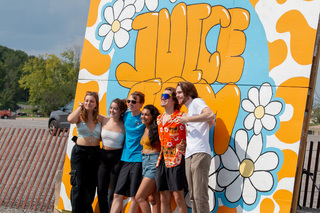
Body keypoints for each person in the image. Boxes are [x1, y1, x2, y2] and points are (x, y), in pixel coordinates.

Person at [176, 81, 216, 213]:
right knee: (193, 196)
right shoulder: (189, 109)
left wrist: (187, 120)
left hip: (200, 153)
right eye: (176, 93)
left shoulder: (196, 102)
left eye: (180, 92)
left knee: (200, 196)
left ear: (188, 92)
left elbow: (210, 114)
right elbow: (208, 122)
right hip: (189, 154)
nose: (177, 95)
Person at [67, 91, 103, 213]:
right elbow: (70, 119)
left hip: (95, 154)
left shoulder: (99, 118)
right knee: (78, 184)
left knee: (90, 186)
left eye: (91, 101)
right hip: (80, 153)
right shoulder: (79, 116)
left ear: (96, 104)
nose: (89, 103)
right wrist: (80, 106)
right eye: (86, 100)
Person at [110, 91, 146, 213]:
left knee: (134, 196)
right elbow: (109, 118)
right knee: (117, 194)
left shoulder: (144, 117)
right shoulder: (125, 116)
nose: (130, 103)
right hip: (124, 159)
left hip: (138, 160)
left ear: (141, 104)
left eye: (133, 101)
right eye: (129, 101)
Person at [155, 87, 188, 213]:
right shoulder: (159, 118)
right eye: (162, 95)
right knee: (163, 197)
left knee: (178, 197)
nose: (163, 98)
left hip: (177, 159)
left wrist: (186, 144)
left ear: (174, 100)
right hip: (162, 160)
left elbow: (194, 131)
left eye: (166, 96)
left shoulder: (182, 117)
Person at [97, 98, 127, 213]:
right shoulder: (104, 119)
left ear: (121, 111)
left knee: (114, 191)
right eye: (111, 108)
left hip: (117, 159)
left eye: (115, 109)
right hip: (103, 157)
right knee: (101, 189)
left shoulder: (124, 125)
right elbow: (91, 113)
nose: (112, 110)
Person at [135, 105, 161, 213]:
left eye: (146, 115)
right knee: (154, 200)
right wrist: (145, 152)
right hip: (145, 163)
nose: (143, 116)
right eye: (142, 114)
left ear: (152, 116)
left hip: (153, 164)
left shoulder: (157, 128)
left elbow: (162, 147)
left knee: (139, 197)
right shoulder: (146, 128)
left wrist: (149, 152)